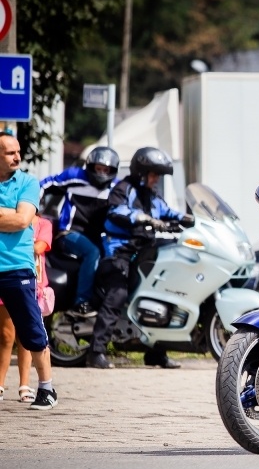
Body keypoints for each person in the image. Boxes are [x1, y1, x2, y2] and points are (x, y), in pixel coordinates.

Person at [88, 147, 193, 370]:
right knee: (118, 294)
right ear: (141, 172)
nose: (156, 180)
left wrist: (189, 218)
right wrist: (142, 217)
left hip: (144, 249)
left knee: (159, 293)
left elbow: (167, 211)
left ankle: (156, 353)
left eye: (158, 175)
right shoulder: (123, 189)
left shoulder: (151, 195)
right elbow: (116, 211)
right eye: (153, 174)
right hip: (119, 250)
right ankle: (95, 351)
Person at [0, 132, 59, 409]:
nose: (17, 156)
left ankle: (46, 389)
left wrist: (12, 217)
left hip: (16, 267)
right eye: (10, 152)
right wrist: (5, 215)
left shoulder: (27, 182)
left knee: (31, 329)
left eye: (18, 151)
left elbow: (23, 219)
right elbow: (11, 218)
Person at [40, 146, 119, 318]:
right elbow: (45, 184)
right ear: (90, 167)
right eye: (98, 168)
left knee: (113, 258)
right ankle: (81, 302)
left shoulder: (115, 188)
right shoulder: (74, 176)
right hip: (68, 233)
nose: (102, 173)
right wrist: (31, 206)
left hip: (97, 236)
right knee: (93, 252)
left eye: (106, 170)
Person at [0, 213, 51, 402]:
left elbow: (40, 246)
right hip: (8, 277)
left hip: (33, 284)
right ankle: (0, 384)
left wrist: (14, 242)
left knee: (27, 336)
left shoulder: (44, 224)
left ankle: (25, 385)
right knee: (6, 335)